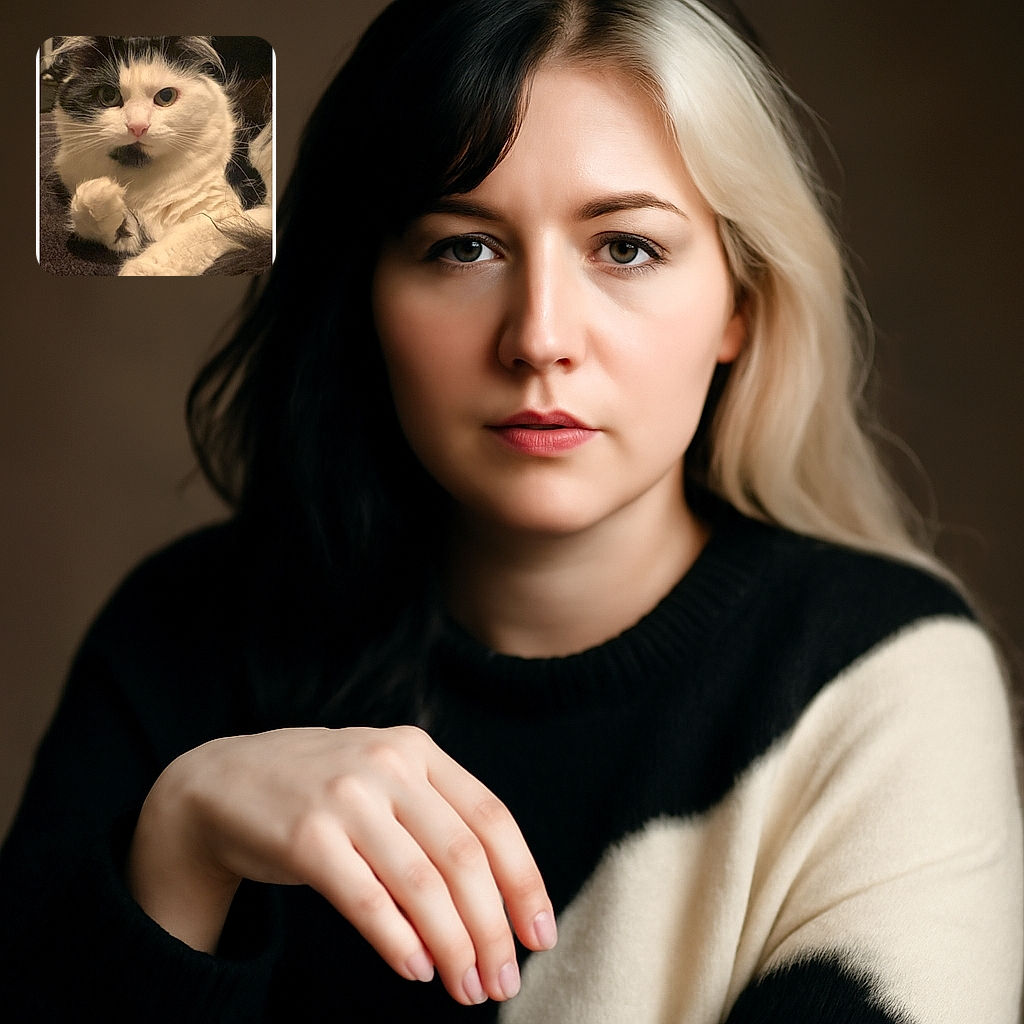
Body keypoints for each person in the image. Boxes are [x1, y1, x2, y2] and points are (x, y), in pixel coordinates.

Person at [2, 0, 1021, 1020]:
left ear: (741, 302)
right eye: (463, 248)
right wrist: (181, 850)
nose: (539, 338)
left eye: (625, 248)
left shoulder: (878, 681)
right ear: (365, 294)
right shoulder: (178, 635)